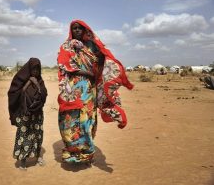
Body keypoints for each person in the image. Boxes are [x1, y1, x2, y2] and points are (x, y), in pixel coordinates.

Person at [57, 19, 133, 164]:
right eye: (75, 28)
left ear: (85, 30)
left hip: (89, 89)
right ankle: (73, 151)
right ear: (71, 31)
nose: (77, 30)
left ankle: (87, 152)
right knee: (70, 120)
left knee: (87, 120)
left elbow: (102, 61)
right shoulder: (66, 47)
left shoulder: (92, 47)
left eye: (80, 28)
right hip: (72, 89)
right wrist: (86, 73)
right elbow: (64, 65)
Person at [8, 58, 48, 170]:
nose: (35, 71)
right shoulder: (20, 79)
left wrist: (36, 84)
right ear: (29, 68)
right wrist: (28, 83)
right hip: (25, 113)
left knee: (37, 134)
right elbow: (14, 93)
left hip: (37, 113)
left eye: (38, 69)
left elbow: (44, 94)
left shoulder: (40, 80)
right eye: (33, 69)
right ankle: (23, 161)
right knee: (24, 135)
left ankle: (38, 156)